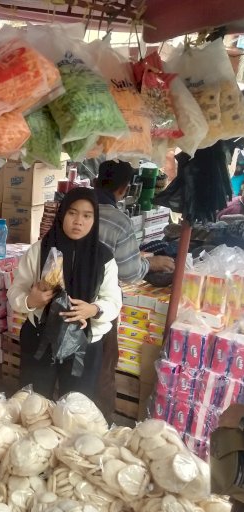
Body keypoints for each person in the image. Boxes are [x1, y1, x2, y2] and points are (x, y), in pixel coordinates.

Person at [7, 187, 122, 400]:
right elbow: (16, 290)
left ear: (94, 220)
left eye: (87, 216)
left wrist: (93, 309)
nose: (78, 221)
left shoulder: (103, 257)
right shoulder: (40, 250)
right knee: (34, 403)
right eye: (72, 213)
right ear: (62, 214)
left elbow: (114, 301)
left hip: (84, 344)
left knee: (76, 408)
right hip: (41, 339)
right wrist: (30, 301)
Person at [94, 160, 175, 418]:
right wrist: (151, 263)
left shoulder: (74, 209)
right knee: (104, 365)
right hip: (101, 302)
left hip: (67, 297)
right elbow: (129, 272)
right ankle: (101, 420)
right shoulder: (118, 220)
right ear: (124, 188)